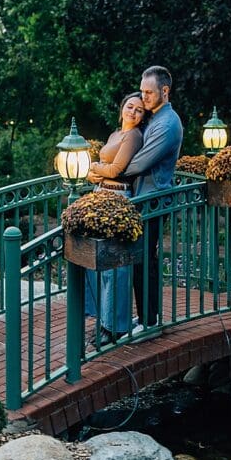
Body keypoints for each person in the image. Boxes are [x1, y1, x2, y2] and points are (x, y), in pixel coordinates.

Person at [90, 66, 183, 337]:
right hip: (140, 199)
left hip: (153, 200)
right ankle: (143, 317)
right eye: (142, 91)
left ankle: (150, 322)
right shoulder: (154, 118)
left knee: (144, 260)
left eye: (149, 92)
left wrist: (106, 171)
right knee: (140, 260)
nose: (144, 97)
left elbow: (138, 163)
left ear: (165, 91)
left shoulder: (167, 123)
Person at [83, 92, 148, 344]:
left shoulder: (134, 136)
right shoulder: (115, 135)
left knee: (115, 264)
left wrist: (94, 168)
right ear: (122, 108)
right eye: (130, 107)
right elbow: (104, 169)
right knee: (96, 259)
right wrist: (95, 173)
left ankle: (114, 326)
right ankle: (103, 319)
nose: (133, 112)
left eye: (139, 110)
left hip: (118, 197)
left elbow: (116, 169)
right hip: (100, 194)